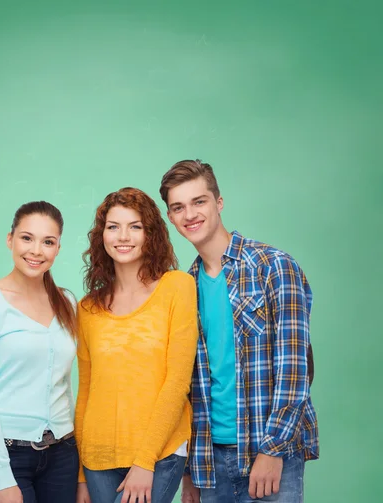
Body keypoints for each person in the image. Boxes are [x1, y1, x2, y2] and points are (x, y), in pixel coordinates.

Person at [159, 159, 319, 503]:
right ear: (171, 218)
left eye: (199, 201)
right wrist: (189, 471)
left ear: (218, 202)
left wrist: (273, 450)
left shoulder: (273, 266)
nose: (190, 214)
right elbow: (187, 384)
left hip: (268, 451)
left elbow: (295, 368)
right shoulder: (183, 288)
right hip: (208, 461)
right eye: (178, 207)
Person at [75, 187, 199, 503]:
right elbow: (87, 390)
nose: (123, 236)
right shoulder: (88, 307)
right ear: (101, 235)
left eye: (135, 226)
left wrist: (145, 461)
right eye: (113, 226)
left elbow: (177, 382)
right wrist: (80, 476)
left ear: (150, 233)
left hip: (159, 453)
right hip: (97, 459)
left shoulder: (177, 287)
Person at [0, 201, 79, 503]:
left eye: (48, 242)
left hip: (63, 453)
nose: (36, 250)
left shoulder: (67, 302)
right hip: (7, 453)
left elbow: (65, 384)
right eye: (26, 238)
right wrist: (2, 476)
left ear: (57, 249)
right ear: (10, 240)